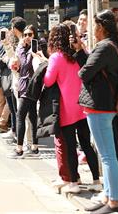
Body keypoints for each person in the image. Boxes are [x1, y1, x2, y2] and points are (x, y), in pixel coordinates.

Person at [36, 24, 101, 194]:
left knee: (71, 147)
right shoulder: (79, 55)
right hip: (84, 106)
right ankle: (96, 180)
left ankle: (74, 182)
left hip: (66, 109)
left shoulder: (56, 57)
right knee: (86, 145)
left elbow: (48, 81)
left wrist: (44, 63)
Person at [75, 10, 118, 214]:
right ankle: (108, 195)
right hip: (105, 106)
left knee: (107, 156)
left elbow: (83, 73)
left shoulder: (104, 47)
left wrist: (85, 58)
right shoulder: (113, 46)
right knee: (108, 154)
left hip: (99, 106)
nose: (92, 29)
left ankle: (113, 202)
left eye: (94, 25)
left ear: (101, 27)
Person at [7, 25, 39, 159]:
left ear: (34, 36)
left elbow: (34, 65)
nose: (27, 37)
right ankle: (34, 146)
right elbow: (19, 66)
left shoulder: (38, 48)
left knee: (20, 115)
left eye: (30, 34)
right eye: (25, 34)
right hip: (22, 85)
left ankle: (19, 148)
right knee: (31, 116)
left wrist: (35, 53)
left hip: (32, 85)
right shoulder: (20, 48)